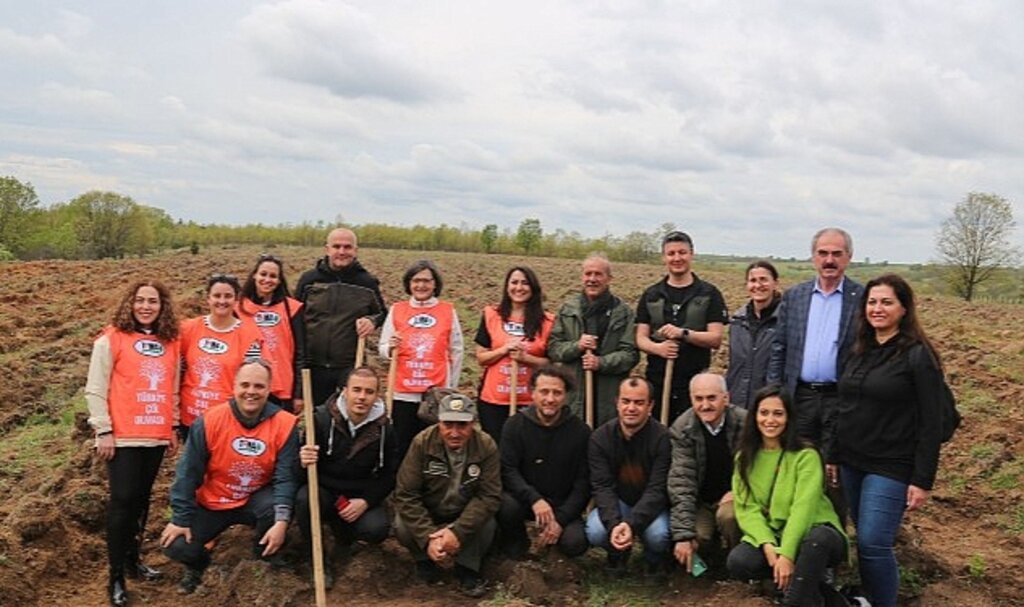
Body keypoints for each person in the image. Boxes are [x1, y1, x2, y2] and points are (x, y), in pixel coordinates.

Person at [831, 274, 944, 607]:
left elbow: (931, 421)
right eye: (871, 302)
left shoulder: (918, 356)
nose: (877, 309)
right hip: (852, 461)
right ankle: (870, 596)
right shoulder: (857, 349)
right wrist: (835, 453)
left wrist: (922, 479)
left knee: (873, 541)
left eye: (886, 302)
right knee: (862, 539)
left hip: (891, 465)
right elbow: (844, 406)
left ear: (904, 308)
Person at [161, 358, 300, 595]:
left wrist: (282, 521)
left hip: (256, 499)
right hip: (213, 501)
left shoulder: (285, 424)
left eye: (258, 386)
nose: (251, 392)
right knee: (176, 546)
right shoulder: (210, 421)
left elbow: (286, 478)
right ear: (234, 386)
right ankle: (199, 566)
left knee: (276, 510)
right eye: (245, 385)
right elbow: (188, 472)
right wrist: (180, 518)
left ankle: (262, 558)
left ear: (268, 389)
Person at [85, 280, 181, 607]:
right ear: (130, 303)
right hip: (123, 435)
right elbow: (95, 388)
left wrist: (172, 425)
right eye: (140, 300)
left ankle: (133, 560)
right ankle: (115, 576)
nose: (145, 307)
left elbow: (173, 388)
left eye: (152, 301)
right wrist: (103, 430)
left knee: (141, 500)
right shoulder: (110, 339)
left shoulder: (170, 343)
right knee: (122, 501)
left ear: (162, 306)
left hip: (154, 433)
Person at [727, 385, 847, 607]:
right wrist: (768, 546)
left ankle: (794, 600)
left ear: (789, 418)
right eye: (764, 413)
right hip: (776, 534)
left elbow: (803, 509)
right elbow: (747, 509)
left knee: (816, 542)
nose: (770, 420)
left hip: (817, 534)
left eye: (778, 413)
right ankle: (822, 596)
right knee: (740, 562)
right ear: (754, 416)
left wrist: (788, 555)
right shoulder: (744, 458)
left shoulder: (806, 456)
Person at [296, 367, 399, 589]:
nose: (362, 397)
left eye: (369, 392)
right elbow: (298, 474)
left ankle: (344, 541)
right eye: (357, 390)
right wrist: (302, 461)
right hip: (323, 490)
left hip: (357, 495)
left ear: (376, 396)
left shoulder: (385, 430)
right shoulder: (320, 420)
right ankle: (317, 561)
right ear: (345, 391)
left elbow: (389, 475)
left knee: (376, 529)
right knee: (305, 500)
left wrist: (366, 502)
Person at [392, 393, 501, 598]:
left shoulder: (486, 446)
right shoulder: (422, 443)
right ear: (439, 422)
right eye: (448, 424)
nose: (454, 432)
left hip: (463, 511)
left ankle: (467, 567)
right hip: (431, 511)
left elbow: (489, 496)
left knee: (488, 523)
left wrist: (457, 532)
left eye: (462, 425)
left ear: (473, 424)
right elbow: (406, 493)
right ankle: (425, 561)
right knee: (401, 525)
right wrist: (427, 537)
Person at [767, 227, 862, 451]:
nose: (829, 260)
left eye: (837, 254)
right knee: (797, 458)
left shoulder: (862, 297)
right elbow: (779, 347)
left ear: (849, 257)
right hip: (800, 397)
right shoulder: (795, 296)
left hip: (840, 399)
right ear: (813, 257)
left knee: (835, 465)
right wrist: (774, 391)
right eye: (823, 253)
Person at [498, 365, 591, 559]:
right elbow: (508, 470)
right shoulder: (514, 426)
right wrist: (534, 499)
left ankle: (553, 544)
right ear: (532, 393)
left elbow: (583, 483)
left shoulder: (580, 431)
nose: (550, 399)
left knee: (576, 543)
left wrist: (561, 519)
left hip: (561, 505)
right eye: (544, 392)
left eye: (557, 393)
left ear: (566, 396)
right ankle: (518, 542)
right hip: (525, 502)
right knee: (504, 506)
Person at [636, 231, 727, 424]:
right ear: (664, 257)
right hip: (658, 382)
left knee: (690, 436)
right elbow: (640, 338)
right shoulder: (652, 295)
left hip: (696, 385)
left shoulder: (709, 294)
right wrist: (659, 349)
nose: (677, 258)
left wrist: (684, 334)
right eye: (671, 253)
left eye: (682, 252)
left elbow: (716, 338)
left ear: (691, 254)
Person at [586, 376, 672, 578]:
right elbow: (602, 487)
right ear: (617, 403)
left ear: (650, 406)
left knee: (659, 535)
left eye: (639, 402)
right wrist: (615, 524)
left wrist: (632, 524)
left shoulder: (663, 438)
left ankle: (654, 560)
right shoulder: (600, 438)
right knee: (596, 531)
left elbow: (658, 490)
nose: (631, 408)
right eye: (626, 401)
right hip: (619, 502)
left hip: (652, 505)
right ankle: (617, 554)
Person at [379, 260, 464, 459]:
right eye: (416, 280)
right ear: (409, 284)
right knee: (402, 445)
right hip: (403, 392)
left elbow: (457, 351)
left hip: (435, 393)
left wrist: (450, 388)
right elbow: (382, 349)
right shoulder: (397, 310)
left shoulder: (447, 311)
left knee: (433, 446)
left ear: (435, 284)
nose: (421, 285)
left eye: (426, 280)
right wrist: (390, 347)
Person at [296, 228, 386, 407]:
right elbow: (294, 316)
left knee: (347, 415)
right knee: (315, 419)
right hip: (312, 365)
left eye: (347, 247)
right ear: (327, 249)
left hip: (349, 365)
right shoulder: (309, 281)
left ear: (355, 250)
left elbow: (382, 312)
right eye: (336, 246)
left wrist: (372, 321)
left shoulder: (367, 283)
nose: (342, 252)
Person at [548, 254, 639, 427]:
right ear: (582, 276)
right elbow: (554, 348)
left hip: (609, 398)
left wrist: (601, 362)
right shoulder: (568, 309)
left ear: (609, 278)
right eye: (588, 274)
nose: (592, 279)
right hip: (574, 397)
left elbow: (631, 355)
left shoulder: (623, 312)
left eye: (598, 274)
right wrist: (577, 346)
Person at [668, 373, 746, 574]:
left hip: (736, 498)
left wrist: (738, 491)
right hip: (701, 502)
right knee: (696, 538)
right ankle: (706, 568)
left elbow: (755, 470)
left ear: (726, 398)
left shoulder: (745, 424)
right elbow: (681, 483)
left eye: (712, 398)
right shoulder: (682, 429)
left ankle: (738, 566)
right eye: (698, 399)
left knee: (729, 517)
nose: (705, 405)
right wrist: (683, 536)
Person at [474, 266, 554, 443]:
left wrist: (526, 359)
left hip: (530, 401)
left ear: (533, 288)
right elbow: (481, 358)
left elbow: (552, 364)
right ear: (506, 286)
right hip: (493, 400)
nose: (519, 288)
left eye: (525, 283)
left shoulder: (548, 322)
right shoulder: (491, 315)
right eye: (514, 282)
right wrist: (503, 350)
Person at [179, 274, 263, 434]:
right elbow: (178, 369)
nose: (222, 301)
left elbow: (251, 378)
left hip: (227, 417)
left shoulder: (249, 334)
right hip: (190, 416)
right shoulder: (188, 329)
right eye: (217, 296)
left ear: (236, 300)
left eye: (228, 296)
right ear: (208, 299)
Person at [237, 252, 304, 412]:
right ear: (254, 275)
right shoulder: (237, 307)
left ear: (279, 280)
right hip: (247, 385)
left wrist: (298, 393)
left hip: (282, 387)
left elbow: (300, 353)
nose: (267, 280)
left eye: (273, 276)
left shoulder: (292, 309)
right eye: (263, 274)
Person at [726, 260, 782, 410]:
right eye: (753, 281)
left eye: (763, 280)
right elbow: (733, 366)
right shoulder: (737, 322)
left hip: (770, 405)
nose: (758, 285)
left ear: (775, 283)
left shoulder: (786, 321)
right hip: (737, 402)